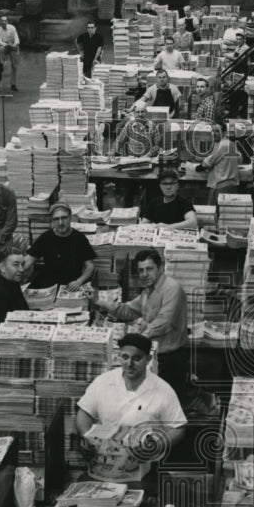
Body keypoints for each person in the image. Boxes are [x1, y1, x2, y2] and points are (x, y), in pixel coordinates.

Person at [76, 332, 187, 474]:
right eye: (125, 357)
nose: (129, 364)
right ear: (119, 357)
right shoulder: (103, 381)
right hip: (105, 462)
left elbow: (178, 428)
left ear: (148, 359)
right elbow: (84, 412)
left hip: (145, 466)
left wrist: (157, 445)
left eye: (136, 358)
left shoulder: (163, 389)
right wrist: (86, 438)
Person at [100, 248, 190, 404]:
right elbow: (128, 310)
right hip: (157, 355)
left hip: (171, 359)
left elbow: (165, 322)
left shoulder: (171, 288)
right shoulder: (148, 291)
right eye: (141, 270)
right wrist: (98, 302)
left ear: (160, 268)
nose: (144, 274)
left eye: (149, 269)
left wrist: (138, 339)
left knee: (169, 405)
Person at [28, 202, 96, 292]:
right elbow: (28, 260)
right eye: (56, 219)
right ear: (52, 221)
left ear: (70, 217)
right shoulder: (45, 238)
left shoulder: (79, 238)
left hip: (72, 285)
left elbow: (90, 266)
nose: (60, 223)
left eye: (64, 218)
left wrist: (79, 282)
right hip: (49, 286)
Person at [196, 122, 241, 204]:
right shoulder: (230, 144)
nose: (213, 134)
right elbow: (240, 159)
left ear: (224, 132)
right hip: (230, 186)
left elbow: (208, 162)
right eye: (212, 131)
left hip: (221, 187)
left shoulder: (222, 145)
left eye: (217, 131)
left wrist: (198, 167)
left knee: (214, 213)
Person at [0, 13, 20, 91]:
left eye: (5, 21)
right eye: (2, 21)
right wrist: (6, 45)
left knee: (15, 66)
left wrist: (14, 44)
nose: (3, 22)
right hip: (5, 46)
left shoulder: (12, 28)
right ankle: (2, 63)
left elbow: (17, 38)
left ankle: (13, 84)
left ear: (7, 21)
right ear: (0, 22)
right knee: (1, 50)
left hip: (12, 45)